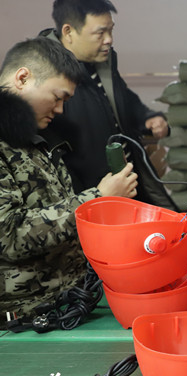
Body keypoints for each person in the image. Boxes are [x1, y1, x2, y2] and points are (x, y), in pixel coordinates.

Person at [0, 38, 137, 318]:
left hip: (63, 302)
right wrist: (97, 199)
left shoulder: (36, 139)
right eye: (57, 97)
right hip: (21, 316)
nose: (60, 109)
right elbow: (9, 236)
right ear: (23, 78)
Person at [39, 0, 175, 210]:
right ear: (68, 31)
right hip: (92, 196)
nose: (109, 40)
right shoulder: (48, 76)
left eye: (111, 31)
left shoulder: (102, 63)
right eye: (100, 33)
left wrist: (147, 118)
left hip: (127, 180)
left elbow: (122, 100)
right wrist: (91, 196)